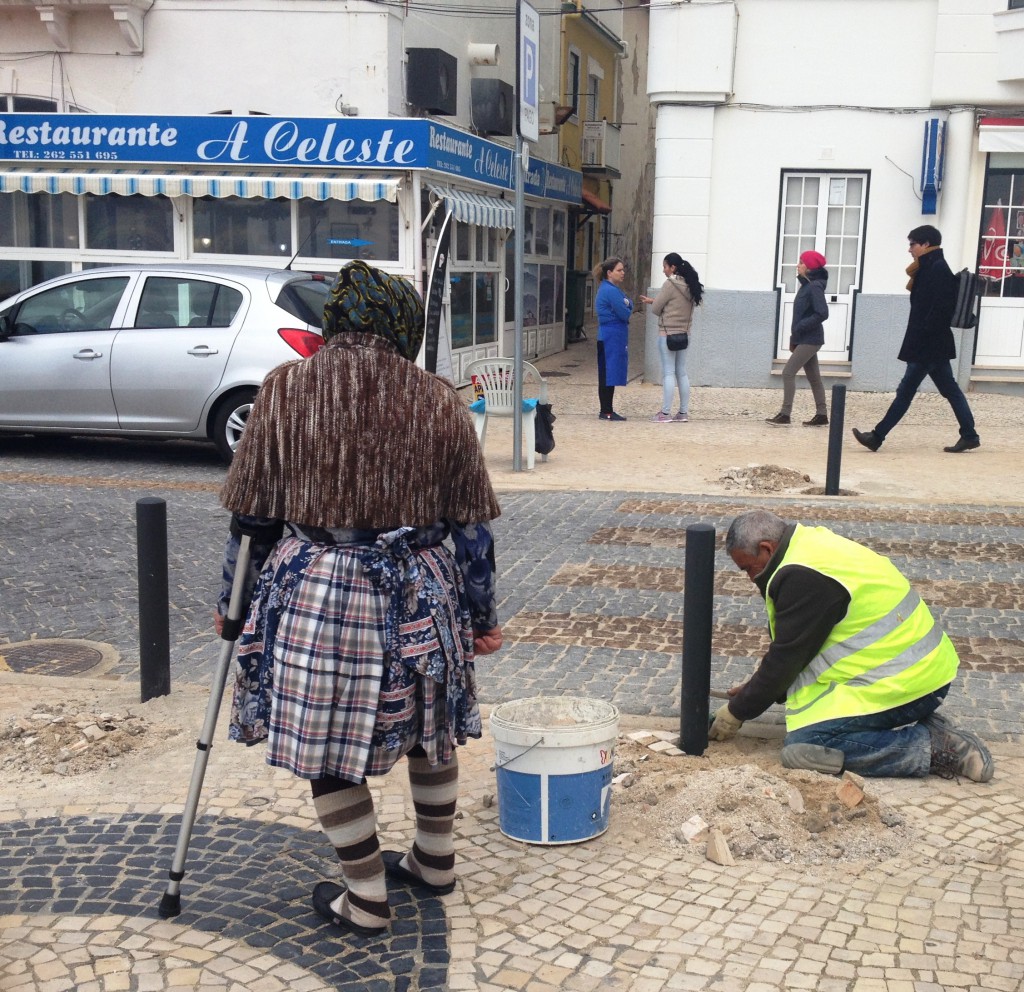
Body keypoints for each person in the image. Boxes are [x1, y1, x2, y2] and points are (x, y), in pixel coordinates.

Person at [216, 260, 503, 938]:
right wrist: (483, 616)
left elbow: (252, 520)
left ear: (334, 322)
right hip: (421, 587)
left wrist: (232, 603)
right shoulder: (438, 398)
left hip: (321, 584)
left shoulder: (284, 391)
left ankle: (367, 897)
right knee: (429, 729)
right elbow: (472, 526)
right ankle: (434, 862)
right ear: (402, 326)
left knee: (326, 745)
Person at [709, 510, 994, 782]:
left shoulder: (802, 577)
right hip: (918, 670)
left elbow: (787, 658)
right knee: (809, 729)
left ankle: (937, 748)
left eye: (747, 567)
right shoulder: (808, 546)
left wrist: (737, 711)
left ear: (767, 549)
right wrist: (753, 691)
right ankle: (930, 730)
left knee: (808, 744)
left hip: (910, 681)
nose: (749, 577)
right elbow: (799, 648)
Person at [852, 225, 980, 454]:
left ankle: (877, 436)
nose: (909, 249)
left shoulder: (938, 269)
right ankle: (969, 435)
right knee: (949, 390)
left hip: (928, 344)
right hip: (931, 344)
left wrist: (923, 335)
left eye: (913, 244)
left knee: (906, 391)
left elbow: (940, 308)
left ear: (926, 244)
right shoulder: (928, 267)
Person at [765, 250, 830, 427]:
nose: (798, 265)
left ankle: (785, 414)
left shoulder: (814, 286)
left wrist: (801, 327)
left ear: (809, 267)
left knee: (788, 372)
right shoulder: (807, 285)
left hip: (811, 339)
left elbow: (822, 313)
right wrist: (795, 337)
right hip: (805, 338)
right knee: (814, 378)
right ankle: (822, 415)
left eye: (801, 262)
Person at [639, 252, 704, 423]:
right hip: (684, 335)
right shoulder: (691, 285)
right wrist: (655, 300)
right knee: (681, 373)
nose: (663, 270)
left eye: (665, 266)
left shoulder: (670, 284)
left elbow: (657, 310)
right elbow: (676, 305)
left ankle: (665, 413)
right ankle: (683, 413)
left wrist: (655, 303)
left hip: (667, 334)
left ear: (672, 267)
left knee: (668, 373)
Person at [594, 256, 633, 421]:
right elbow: (625, 311)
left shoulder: (610, 288)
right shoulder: (610, 291)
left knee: (607, 373)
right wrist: (627, 305)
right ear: (609, 273)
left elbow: (629, 303)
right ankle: (607, 410)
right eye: (619, 270)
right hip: (611, 336)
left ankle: (606, 409)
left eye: (623, 270)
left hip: (610, 335)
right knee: (608, 373)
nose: (622, 273)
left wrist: (627, 304)